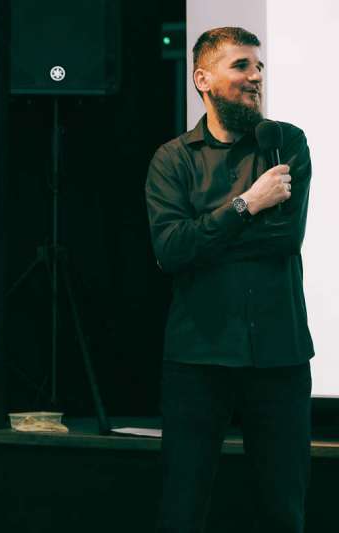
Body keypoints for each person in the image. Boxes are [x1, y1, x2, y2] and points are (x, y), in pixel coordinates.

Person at [145, 27, 313, 532]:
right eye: (241, 65)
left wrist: (206, 235)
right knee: (182, 508)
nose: (255, 76)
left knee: (283, 510)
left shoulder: (286, 142)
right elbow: (170, 251)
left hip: (279, 355)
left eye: (259, 67)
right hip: (199, 357)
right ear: (203, 79)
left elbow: (284, 237)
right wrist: (248, 204)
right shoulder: (173, 159)